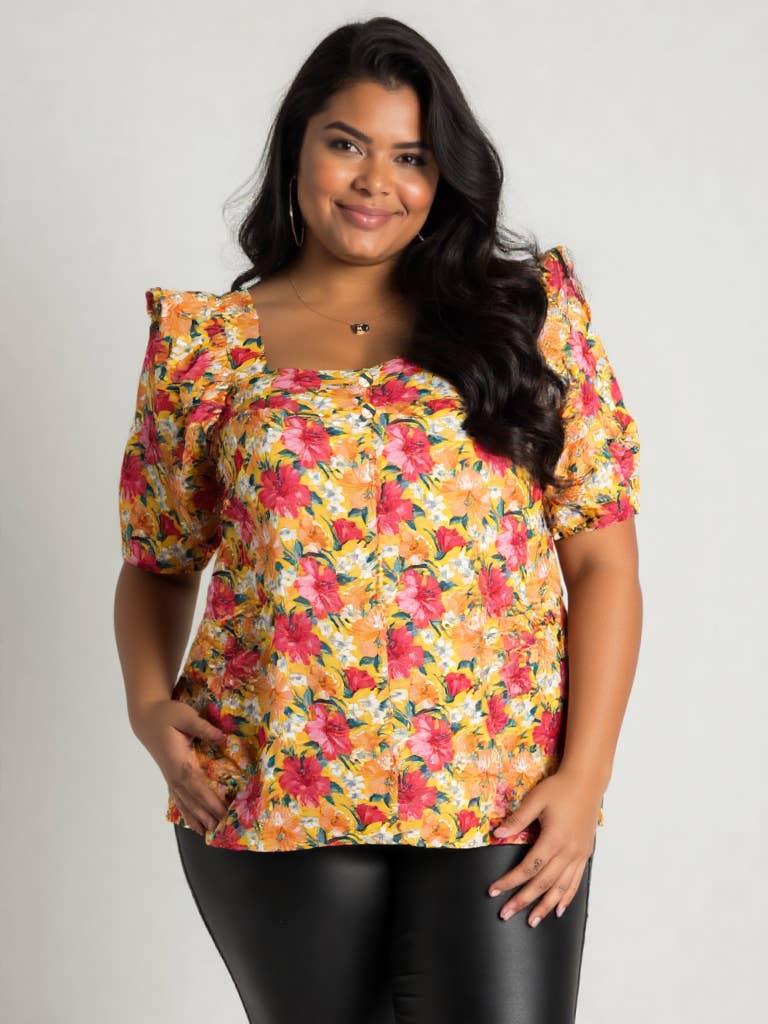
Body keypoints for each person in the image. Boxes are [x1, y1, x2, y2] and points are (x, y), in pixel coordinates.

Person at [113, 16, 642, 1024]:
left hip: (498, 790)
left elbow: (604, 559)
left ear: (443, 177)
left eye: (411, 156)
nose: (375, 181)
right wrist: (147, 704)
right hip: (270, 784)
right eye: (347, 143)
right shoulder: (205, 347)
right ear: (297, 147)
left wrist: (585, 780)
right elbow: (158, 559)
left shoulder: (524, 318)